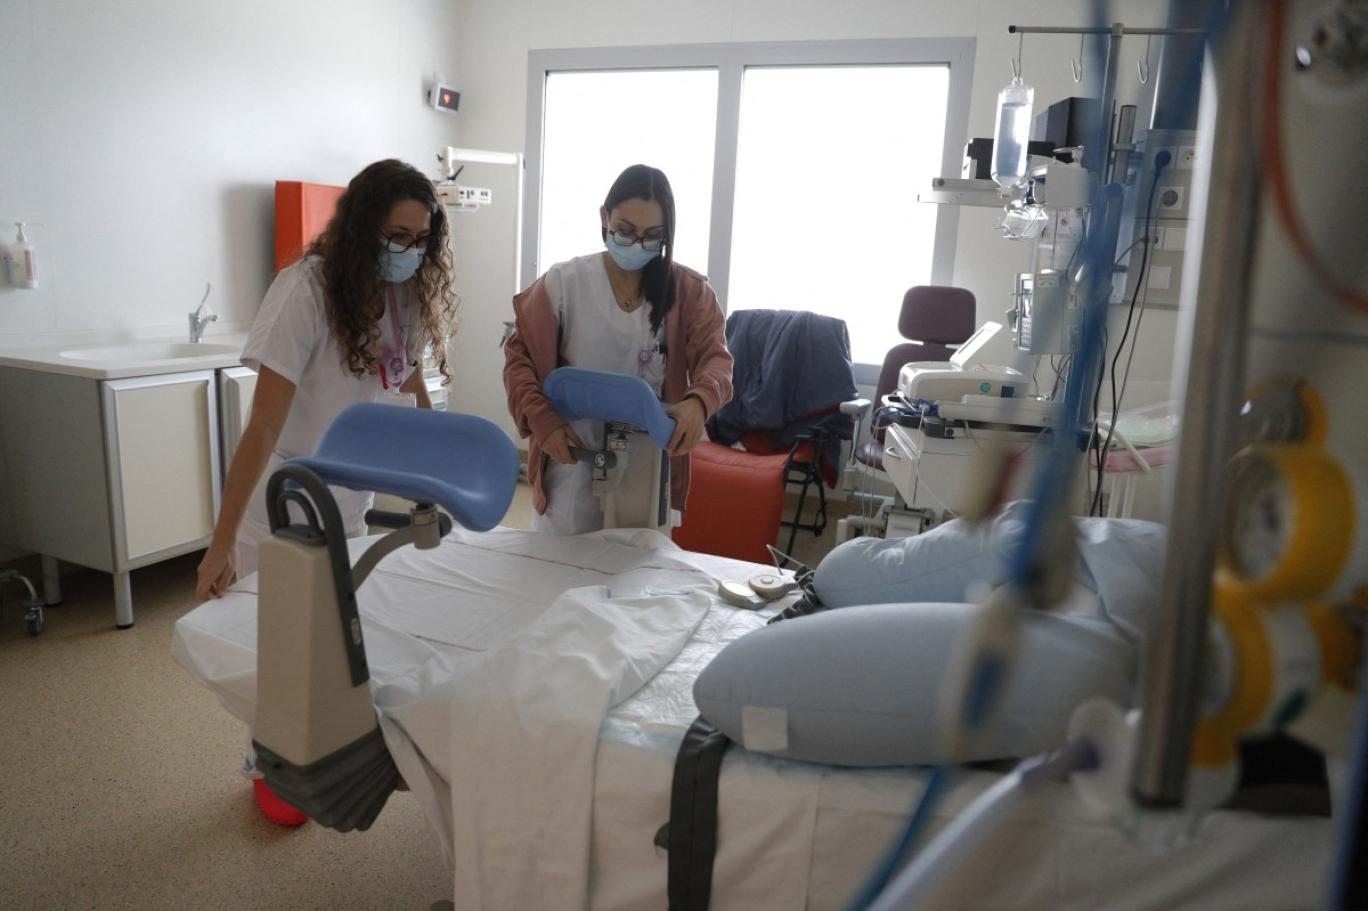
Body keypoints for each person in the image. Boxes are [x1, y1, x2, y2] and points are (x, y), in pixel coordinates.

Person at [196, 159, 457, 600]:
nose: (410, 251)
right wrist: (222, 542)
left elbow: (407, 376)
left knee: (337, 627)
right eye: (398, 236)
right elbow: (263, 425)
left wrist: (434, 469)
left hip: (352, 494)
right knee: (279, 629)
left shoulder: (406, 293)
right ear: (363, 227)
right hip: (286, 497)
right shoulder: (305, 291)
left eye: (421, 240)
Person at [503, 164, 733, 535]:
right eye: (625, 230)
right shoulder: (564, 284)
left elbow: (717, 361)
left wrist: (699, 402)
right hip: (571, 461)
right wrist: (543, 423)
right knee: (560, 567)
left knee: (638, 566)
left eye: (652, 236)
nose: (637, 244)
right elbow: (519, 362)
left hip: (646, 470)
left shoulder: (689, 292)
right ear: (604, 217)